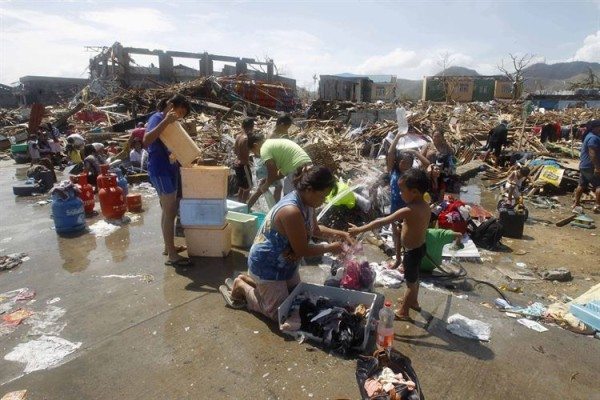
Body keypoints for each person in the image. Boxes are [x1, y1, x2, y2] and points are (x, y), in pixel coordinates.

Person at [220, 166, 351, 319]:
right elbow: (302, 250)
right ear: (309, 189)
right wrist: (331, 247)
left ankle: (254, 284)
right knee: (278, 314)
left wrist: (342, 234)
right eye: (322, 196)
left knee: (297, 298)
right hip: (267, 265)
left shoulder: (308, 204)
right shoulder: (291, 210)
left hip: (285, 262)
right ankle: (241, 286)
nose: (323, 201)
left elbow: (315, 230)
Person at [349, 168, 431, 321]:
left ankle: (403, 311)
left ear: (414, 192)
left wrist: (359, 228)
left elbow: (383, 221)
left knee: (410, 284)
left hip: (412, 252)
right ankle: (414, 301)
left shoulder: (409, 209)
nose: (399, 193)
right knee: (414, 279)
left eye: (402, 190)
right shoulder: (424, 204)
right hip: (418, 248)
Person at [143, 94, 192, 266]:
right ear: (170, 105)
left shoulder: (173, 123)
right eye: (179, 111)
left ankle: (168, 247)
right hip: (161, 169)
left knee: (167, 210)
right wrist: (166, 121)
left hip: (170, 169)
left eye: (182, 115)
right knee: (170, 211)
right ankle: (172, 255)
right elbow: (146, 140)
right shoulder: (157, 118)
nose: (179, 116)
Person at [387, 132, 430, 268]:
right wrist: (398, 138)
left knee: (405, 237)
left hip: (408, 211)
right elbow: (390, 154)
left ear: (411, 165)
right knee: (396, 235)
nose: (402, 164)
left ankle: (406, 261)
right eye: (400, 161)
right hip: (395, 208)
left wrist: (414, 152)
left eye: (406, 162)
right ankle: (398, 259)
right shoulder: (393, 172)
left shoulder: (411, 177)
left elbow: (427, 164)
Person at [246, 136, 313, 209]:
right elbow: (279, 174)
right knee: (302, 197)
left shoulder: (264, 149)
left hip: (296, 167)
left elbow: (272, 170)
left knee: (289, 200)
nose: (256, 154)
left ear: (255, 145)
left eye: (254, 152)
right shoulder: (273, 143)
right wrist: (268, 180)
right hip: (306, 164)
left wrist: (267, 184)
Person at [573, 119, 600, 214]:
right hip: (591, 166)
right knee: (598, 185)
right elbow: (592, 153)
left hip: (584, 165)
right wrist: (597, 167)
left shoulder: (589, 136)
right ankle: (597, 206)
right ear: (597, 127)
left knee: (582, 184)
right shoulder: (593, 138)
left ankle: (576, 203)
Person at [234, 118, 254, 202]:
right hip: (244, 165)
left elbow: (235, 150)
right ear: (252, 127)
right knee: (248, 188)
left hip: (237, 163)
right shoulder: (246, 139)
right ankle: (244, 206)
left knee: (241, 187)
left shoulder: (238, 136)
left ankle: (239, 204)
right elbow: (245, 154)